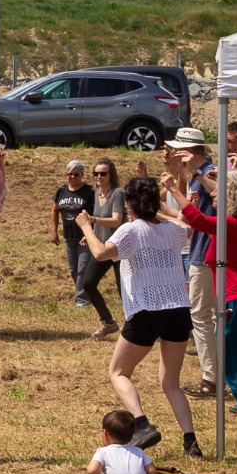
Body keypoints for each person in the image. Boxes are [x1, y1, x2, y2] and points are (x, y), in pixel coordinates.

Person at [75, 175, 199, 457]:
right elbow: (189, 226)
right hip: (178, 310)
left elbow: (101, 253)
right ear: (154, 202)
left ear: (129, 204)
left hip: (147, 310)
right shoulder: (171, 228)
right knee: (170, 383)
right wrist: (156, 209)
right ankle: (191, 442)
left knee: (118, 372)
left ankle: (142, 424)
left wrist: (87, 225)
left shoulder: (130, 231)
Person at [163, 152, 237, 441]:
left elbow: (196, 219)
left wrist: (174, 189)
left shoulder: (230, 224)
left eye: (220, 194)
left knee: (233, 361)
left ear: (233, 199)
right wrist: (229, 175)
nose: (213, 196)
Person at [164, 127, 221, 399]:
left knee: (201, 315)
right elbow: (189, 217)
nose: (173, 152)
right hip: (204, 252)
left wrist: (191, 177)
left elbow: (225, 198)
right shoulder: (198, 176)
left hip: (207, 255)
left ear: (189, 151)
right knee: (210, 316)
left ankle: (212, 377)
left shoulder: (209, 173)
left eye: (178, 148)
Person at [76, 157, 126, 338]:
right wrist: (89, 234)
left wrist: (92, 221)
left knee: (124, 291)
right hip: (103, 248)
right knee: (88, 284)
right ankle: (108, 322)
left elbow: (116, 220)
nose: (98, 177)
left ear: (111, 175)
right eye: (96, 173)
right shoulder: (97, 194)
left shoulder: (117, 193)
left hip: (120, 249)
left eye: (103, 173)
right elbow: (99, 222)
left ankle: (134, 326)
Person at [86, 409, 158, 474]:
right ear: (133, 434)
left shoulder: (103, 452)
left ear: (105, 434)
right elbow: (153, 473)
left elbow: (92, 471)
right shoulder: (139, 451)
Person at [51, 160, 95, 306]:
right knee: (73, 270)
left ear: (82, 175)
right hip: (69, 237)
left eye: (76, 174)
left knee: (83, 269)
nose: (73, 177)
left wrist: (91, 232)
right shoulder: (61, 192)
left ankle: (82, 299)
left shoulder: (89, 192)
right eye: (70, 174)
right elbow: (55, 211)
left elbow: (95, 213)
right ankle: (88, 292)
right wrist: (54, 231)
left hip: (85, 236)